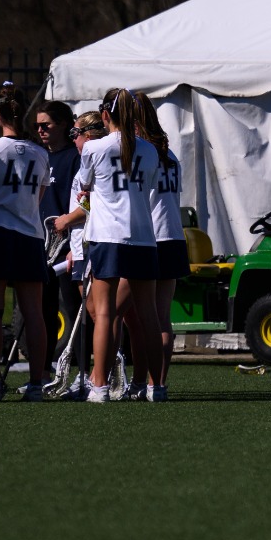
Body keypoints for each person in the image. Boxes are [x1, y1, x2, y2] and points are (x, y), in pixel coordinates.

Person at [54, 91, 162, 403]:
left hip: (107, 237)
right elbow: (148, 188)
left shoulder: (94, 148)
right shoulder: (150, 151)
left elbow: (84, 189)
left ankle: (98, 386)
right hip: (143, 238)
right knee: (148, 316)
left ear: (105, 116)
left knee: (103, 314)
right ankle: (156, 386)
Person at [0, 82, 52, 401]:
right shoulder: (40, 152)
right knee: (34, 312)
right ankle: (36, 385)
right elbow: (38, 196)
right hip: (30, 236)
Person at [134, 92, 185, 397]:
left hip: (150, 239)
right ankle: (158, 384)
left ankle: (141, 381)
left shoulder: (144, 153)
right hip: (174, 237)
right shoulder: (170, 153)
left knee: (120, 314)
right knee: (161, 317)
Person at [51, 110, 104, 398]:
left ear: (88, 134)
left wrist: (66, 221)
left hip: (91, 245)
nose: (73, 139)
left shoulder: (95, 159)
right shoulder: (86, 160)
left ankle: (99, 377)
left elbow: (92, 206)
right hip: (80, 246)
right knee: (90, 316)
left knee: (98, 315)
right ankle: (91, 376)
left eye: (75, 133)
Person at [33, 100, 80, 356]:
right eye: (37, 125)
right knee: (43, 310)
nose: (40, 130)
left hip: (67, 246)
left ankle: (82, 370)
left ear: (62, 124)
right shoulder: (38, 156)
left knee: (74, 308)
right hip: (40, 245)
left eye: (46, 125)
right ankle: (44, 370)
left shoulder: (75, 156)